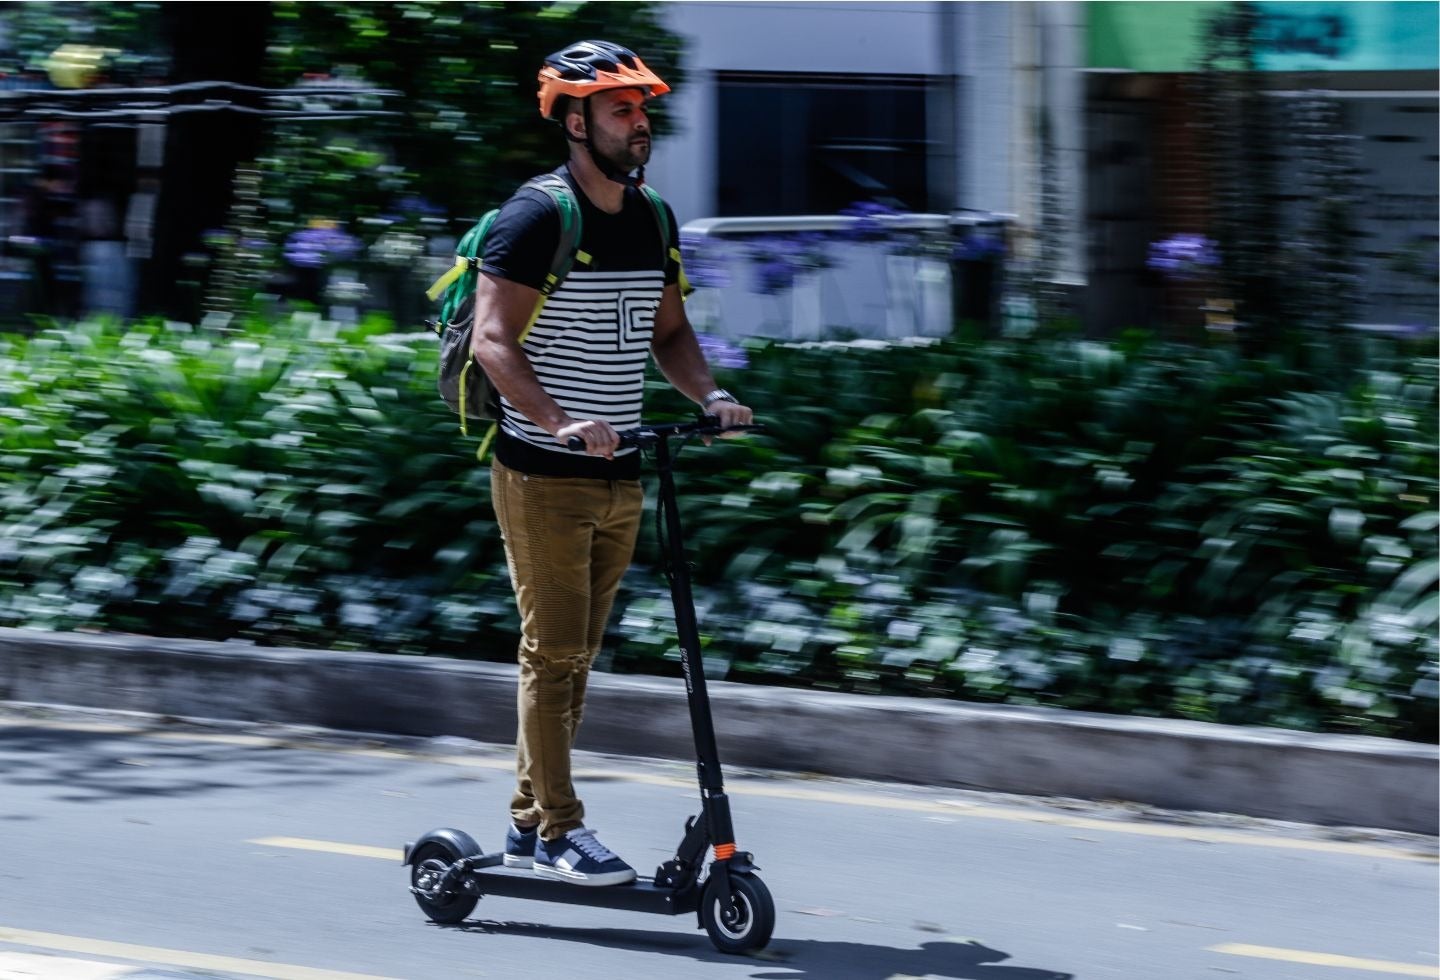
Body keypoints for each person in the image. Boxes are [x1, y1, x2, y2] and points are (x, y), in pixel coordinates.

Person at [470, 40, 754, 887]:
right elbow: (493, 341)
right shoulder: (536, 217)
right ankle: (560, 829)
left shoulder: (653, 217)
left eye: (643, 109)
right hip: (541, 473)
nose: (640, 124)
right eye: (621, 109)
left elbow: (668, 333)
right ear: (573, 119)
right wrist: (558, 423)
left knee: (574, 658)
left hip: (621, 470)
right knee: (551, 653)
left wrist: (707, 396)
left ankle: (528, 822)